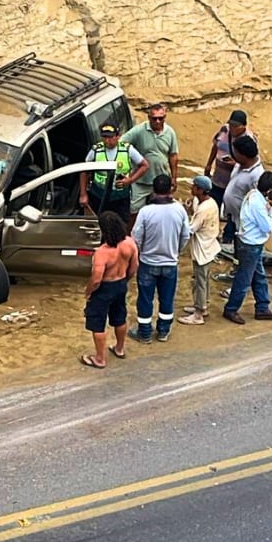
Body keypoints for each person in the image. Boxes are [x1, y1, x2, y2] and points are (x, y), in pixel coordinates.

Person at [131, 174, 190, 342]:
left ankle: (144, 333)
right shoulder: (179, 210)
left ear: (153, 189)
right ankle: (163, 331)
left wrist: (142, 252)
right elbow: (185, 236)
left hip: (148, 263)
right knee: (167, 299)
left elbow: (136, 237)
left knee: (145, 299)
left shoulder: (145, 212)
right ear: (171, 189)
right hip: (170, 263)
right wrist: (175, 251)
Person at [223, 171, 272, 325]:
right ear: (269, 190)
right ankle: (231, 308)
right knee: (244, 279)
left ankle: (262, 307)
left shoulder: (254, 195)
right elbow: (269, 227)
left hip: (250, 243)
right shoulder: (257, 204)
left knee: (259, 276)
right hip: (251, 245)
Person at [81, 212, 134, 368]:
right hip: (120, 284)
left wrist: (88, 292)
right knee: (120, 317)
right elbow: (134, 267)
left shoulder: (102, 252)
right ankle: (119, 348)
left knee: (97, 323)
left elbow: (96, 279)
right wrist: (124, 281)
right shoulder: (130, 243)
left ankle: (100, 358)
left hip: (104, 288)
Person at [125, 104, 179, 231]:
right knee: (134, 211)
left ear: (165, 117)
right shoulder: (139, 130)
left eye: (161, 118)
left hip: (161, 181)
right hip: (140, 181)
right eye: (154, 118)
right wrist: (133, 160)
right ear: (149, 117)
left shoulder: (170, 132)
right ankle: (129, 236)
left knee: (161, 211)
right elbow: (122, 144)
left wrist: (174, 178)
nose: (158, 121)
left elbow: (173, 156)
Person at [78, 123, 148, 222]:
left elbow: (144, 165)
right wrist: (83, 194)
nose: (107, 141)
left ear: (118, 136)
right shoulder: (96, 150)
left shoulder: (127, 149)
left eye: (110, 137)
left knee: (121, 223)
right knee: (100, 223)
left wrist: (130, 180)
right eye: (104, 137)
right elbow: (83, 171)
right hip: (99, 195)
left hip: (120, 196)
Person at [178, 176, 221, 325]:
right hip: (208, 246)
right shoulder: (209, 202)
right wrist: (190, 210)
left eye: (194, 186)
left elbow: (191, 228)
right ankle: (202, 305)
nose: (192, 188)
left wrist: (184, 214)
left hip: (203, 248)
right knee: (202, 279)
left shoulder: (204, 209)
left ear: (200, 190)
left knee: (200, 280)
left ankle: (199, 313)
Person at [203, 110, 248, 245]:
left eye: (236, 126)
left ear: (243, 126)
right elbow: (215, 147)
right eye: (231, 125)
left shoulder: (248, 139)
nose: (232, 128)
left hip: (234, 182)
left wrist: (235, 163)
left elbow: (249, 161)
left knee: (232, 210)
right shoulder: (224, 130)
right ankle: (211, 234)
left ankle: (228, 237)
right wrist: (209, 164)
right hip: (218, 177)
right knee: (213, 205)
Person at [222, 133, 265, 253]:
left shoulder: (257, 175)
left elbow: (259, 201)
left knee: (244, 252)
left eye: (236, 153)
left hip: (245, 224)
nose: (234, 155)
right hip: (234, 217)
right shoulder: (239, 164)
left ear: (244, 155)